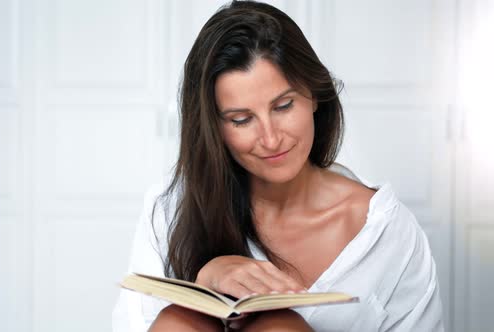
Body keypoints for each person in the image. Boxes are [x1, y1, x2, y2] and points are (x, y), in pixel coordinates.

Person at [112, 1, 444, 331]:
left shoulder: (384, 232)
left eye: (283, 106)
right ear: (215, 129)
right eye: (241, 120)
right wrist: (205, 279)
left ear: (314, 94)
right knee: (178, 320)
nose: (270, 139)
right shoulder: (170, 210)